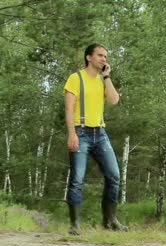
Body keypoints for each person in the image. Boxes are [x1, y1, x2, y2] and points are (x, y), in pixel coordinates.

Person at [63, 43, 128, 235]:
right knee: (77, 179)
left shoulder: (102, 80)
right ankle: (75, 225)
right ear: (89, 57)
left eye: (106, 57)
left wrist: (107, 78)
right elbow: (68, 109)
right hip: (80, 132)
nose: (104, 59)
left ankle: (110, 221)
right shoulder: (75, 78)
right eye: (100, 55)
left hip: (100, 134)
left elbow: (115, 101)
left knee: (114, 176)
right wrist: (72, 133)